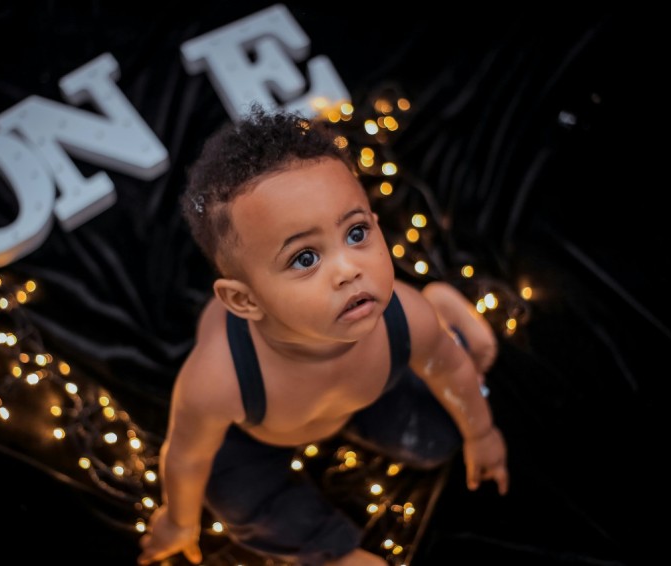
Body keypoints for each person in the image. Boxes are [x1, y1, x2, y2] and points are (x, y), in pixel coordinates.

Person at [137, 106, 508, 566]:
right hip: (261, 433)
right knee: (234, 496)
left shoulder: (403, 318)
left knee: (441, 432)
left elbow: (446, 367)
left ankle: (446, 308)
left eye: (356, 233)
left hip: (365, 396)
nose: (349, 269)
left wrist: (483, 432)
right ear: (245, 301)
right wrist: (178, 520)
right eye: (305, 258)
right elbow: (186, 458)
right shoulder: (220, 380)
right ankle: (332, 553)